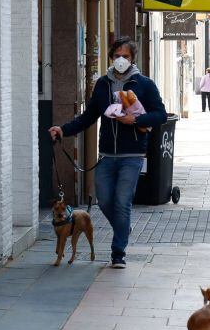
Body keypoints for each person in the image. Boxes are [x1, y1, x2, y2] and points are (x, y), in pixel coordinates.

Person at [48, 38, 167, 269]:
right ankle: (123, 227)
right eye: (117, 55)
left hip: (132, 155)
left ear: (133, 58)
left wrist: (137, 119)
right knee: (104, 200)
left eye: (126, 56)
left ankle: (118, 252)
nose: (121, 60)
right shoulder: (102, 84)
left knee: (122, 202)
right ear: (111, 57)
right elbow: (89, 116)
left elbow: (160, 114)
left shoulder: (144, 84)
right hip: (106, 155)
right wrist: (63, 129)